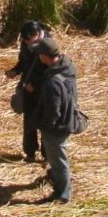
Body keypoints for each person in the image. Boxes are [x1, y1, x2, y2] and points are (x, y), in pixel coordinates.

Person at [33, 37, 78, 204]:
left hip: (57, 127)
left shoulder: (53, 81)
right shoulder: (68, 66)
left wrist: (45, 126)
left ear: (44, 56)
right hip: (69, 118)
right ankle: (57, 180)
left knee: (58, 161)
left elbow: (53, 111)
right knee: (58, 158)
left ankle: (63, 194)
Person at [5, 20, 50, 163]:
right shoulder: (26, 43)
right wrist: (15, 71)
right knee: (29, 120)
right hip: (27, 87)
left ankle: (47, 155)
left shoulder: (48, 45)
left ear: (37, 34)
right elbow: (23, 62)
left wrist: (36, 85)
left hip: (43, 90)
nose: (26, 42)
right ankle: (30, 152)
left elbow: (50, 70)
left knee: (44, 122)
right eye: (24, 40)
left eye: (28, 39)